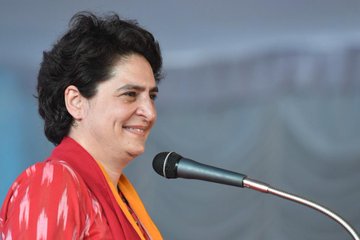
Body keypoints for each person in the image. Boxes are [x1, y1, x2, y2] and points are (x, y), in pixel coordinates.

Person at [0, 11, 163, 239]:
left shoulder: (124, 199)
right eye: (130, 94)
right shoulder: (53, 183)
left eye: (151, 97)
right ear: (76, 102)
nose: (150, 112)